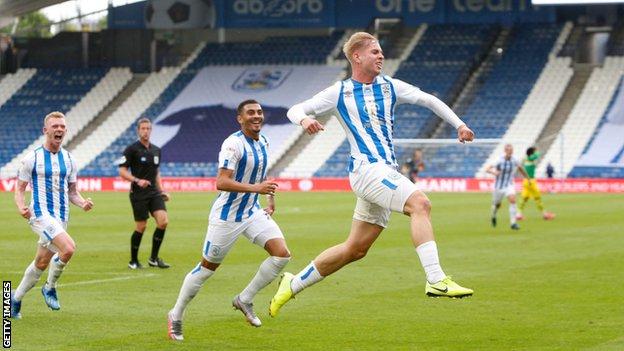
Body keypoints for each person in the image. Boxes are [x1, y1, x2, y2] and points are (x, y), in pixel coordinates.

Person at [269, 32, 475, 318]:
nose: (381, 56)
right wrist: (304, 119)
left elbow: (429, 100)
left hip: (383, 171)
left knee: (355, 249)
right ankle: (436, 279)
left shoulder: (391, 86)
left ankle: (293, 283)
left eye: (381, 52)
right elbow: (296, 109)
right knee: (420, 203)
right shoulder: (339, 92)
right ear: (357, 56)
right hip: (367, 169)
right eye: (375, 52)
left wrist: (460, 124)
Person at [167, 100, 291, 340]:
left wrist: (269, 197)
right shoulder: (233, 144)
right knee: (206, 269)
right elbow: (221, 182)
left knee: (281, 254)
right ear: (240, 118)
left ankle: (244, 299)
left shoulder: (263, 141)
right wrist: (257, 189)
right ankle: (176, 314)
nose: (257, 116)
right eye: (250, 113)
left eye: (259, 112)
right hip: (227, 216)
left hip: (252, 211)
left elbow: (260, 175)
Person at [10, 111, 94, 319]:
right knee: (68, 248)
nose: (59, 129)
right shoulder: (32, 158)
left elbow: (73, 192)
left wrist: (83, 203)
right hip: (40, 215)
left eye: (62, 126)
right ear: (45, 130)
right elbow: (19, 188)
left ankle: (15, 299)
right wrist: (21, 206)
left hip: (61, 218)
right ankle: (49, 287)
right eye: (55, 126)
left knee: (40, 263)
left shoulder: (70, 159)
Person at [119, 118, 171, 269]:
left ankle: (154, 258)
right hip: (138, 193)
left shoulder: (156, 150)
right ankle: (133, 261)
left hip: (154, 192)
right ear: (138, 130)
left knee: (163, 221)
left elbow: (156, 173)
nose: (146, 131)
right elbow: (122, 171)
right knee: (141, 226)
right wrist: (137, 180)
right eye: (143, 128)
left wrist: (162, 191)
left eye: (148, 128)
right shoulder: (131, 149)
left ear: (151, 130)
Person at [486, 144, 529, 230]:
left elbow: (520, 168)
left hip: (509, 184)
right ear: (505, 151)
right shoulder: (499, 160)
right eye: (509, 150)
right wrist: (494, 173)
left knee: (513, 200)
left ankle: (513, 223)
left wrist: (527, 178)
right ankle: (493, 215)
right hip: (499, 186)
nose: (510, 152)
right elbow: (487, 169)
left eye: (511, 150)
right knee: (497, 205)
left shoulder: (514, 159)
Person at [517, 147, 555, 221]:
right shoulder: (530, 158)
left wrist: (533, 150)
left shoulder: (526, 159)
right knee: (537, 198)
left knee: (524, 198)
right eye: (534, 152)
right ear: (531, 153)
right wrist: (537, 151)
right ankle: (545, 214)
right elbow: (536, 155)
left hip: (525, 181)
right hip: (531, 181)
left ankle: (518, 214)